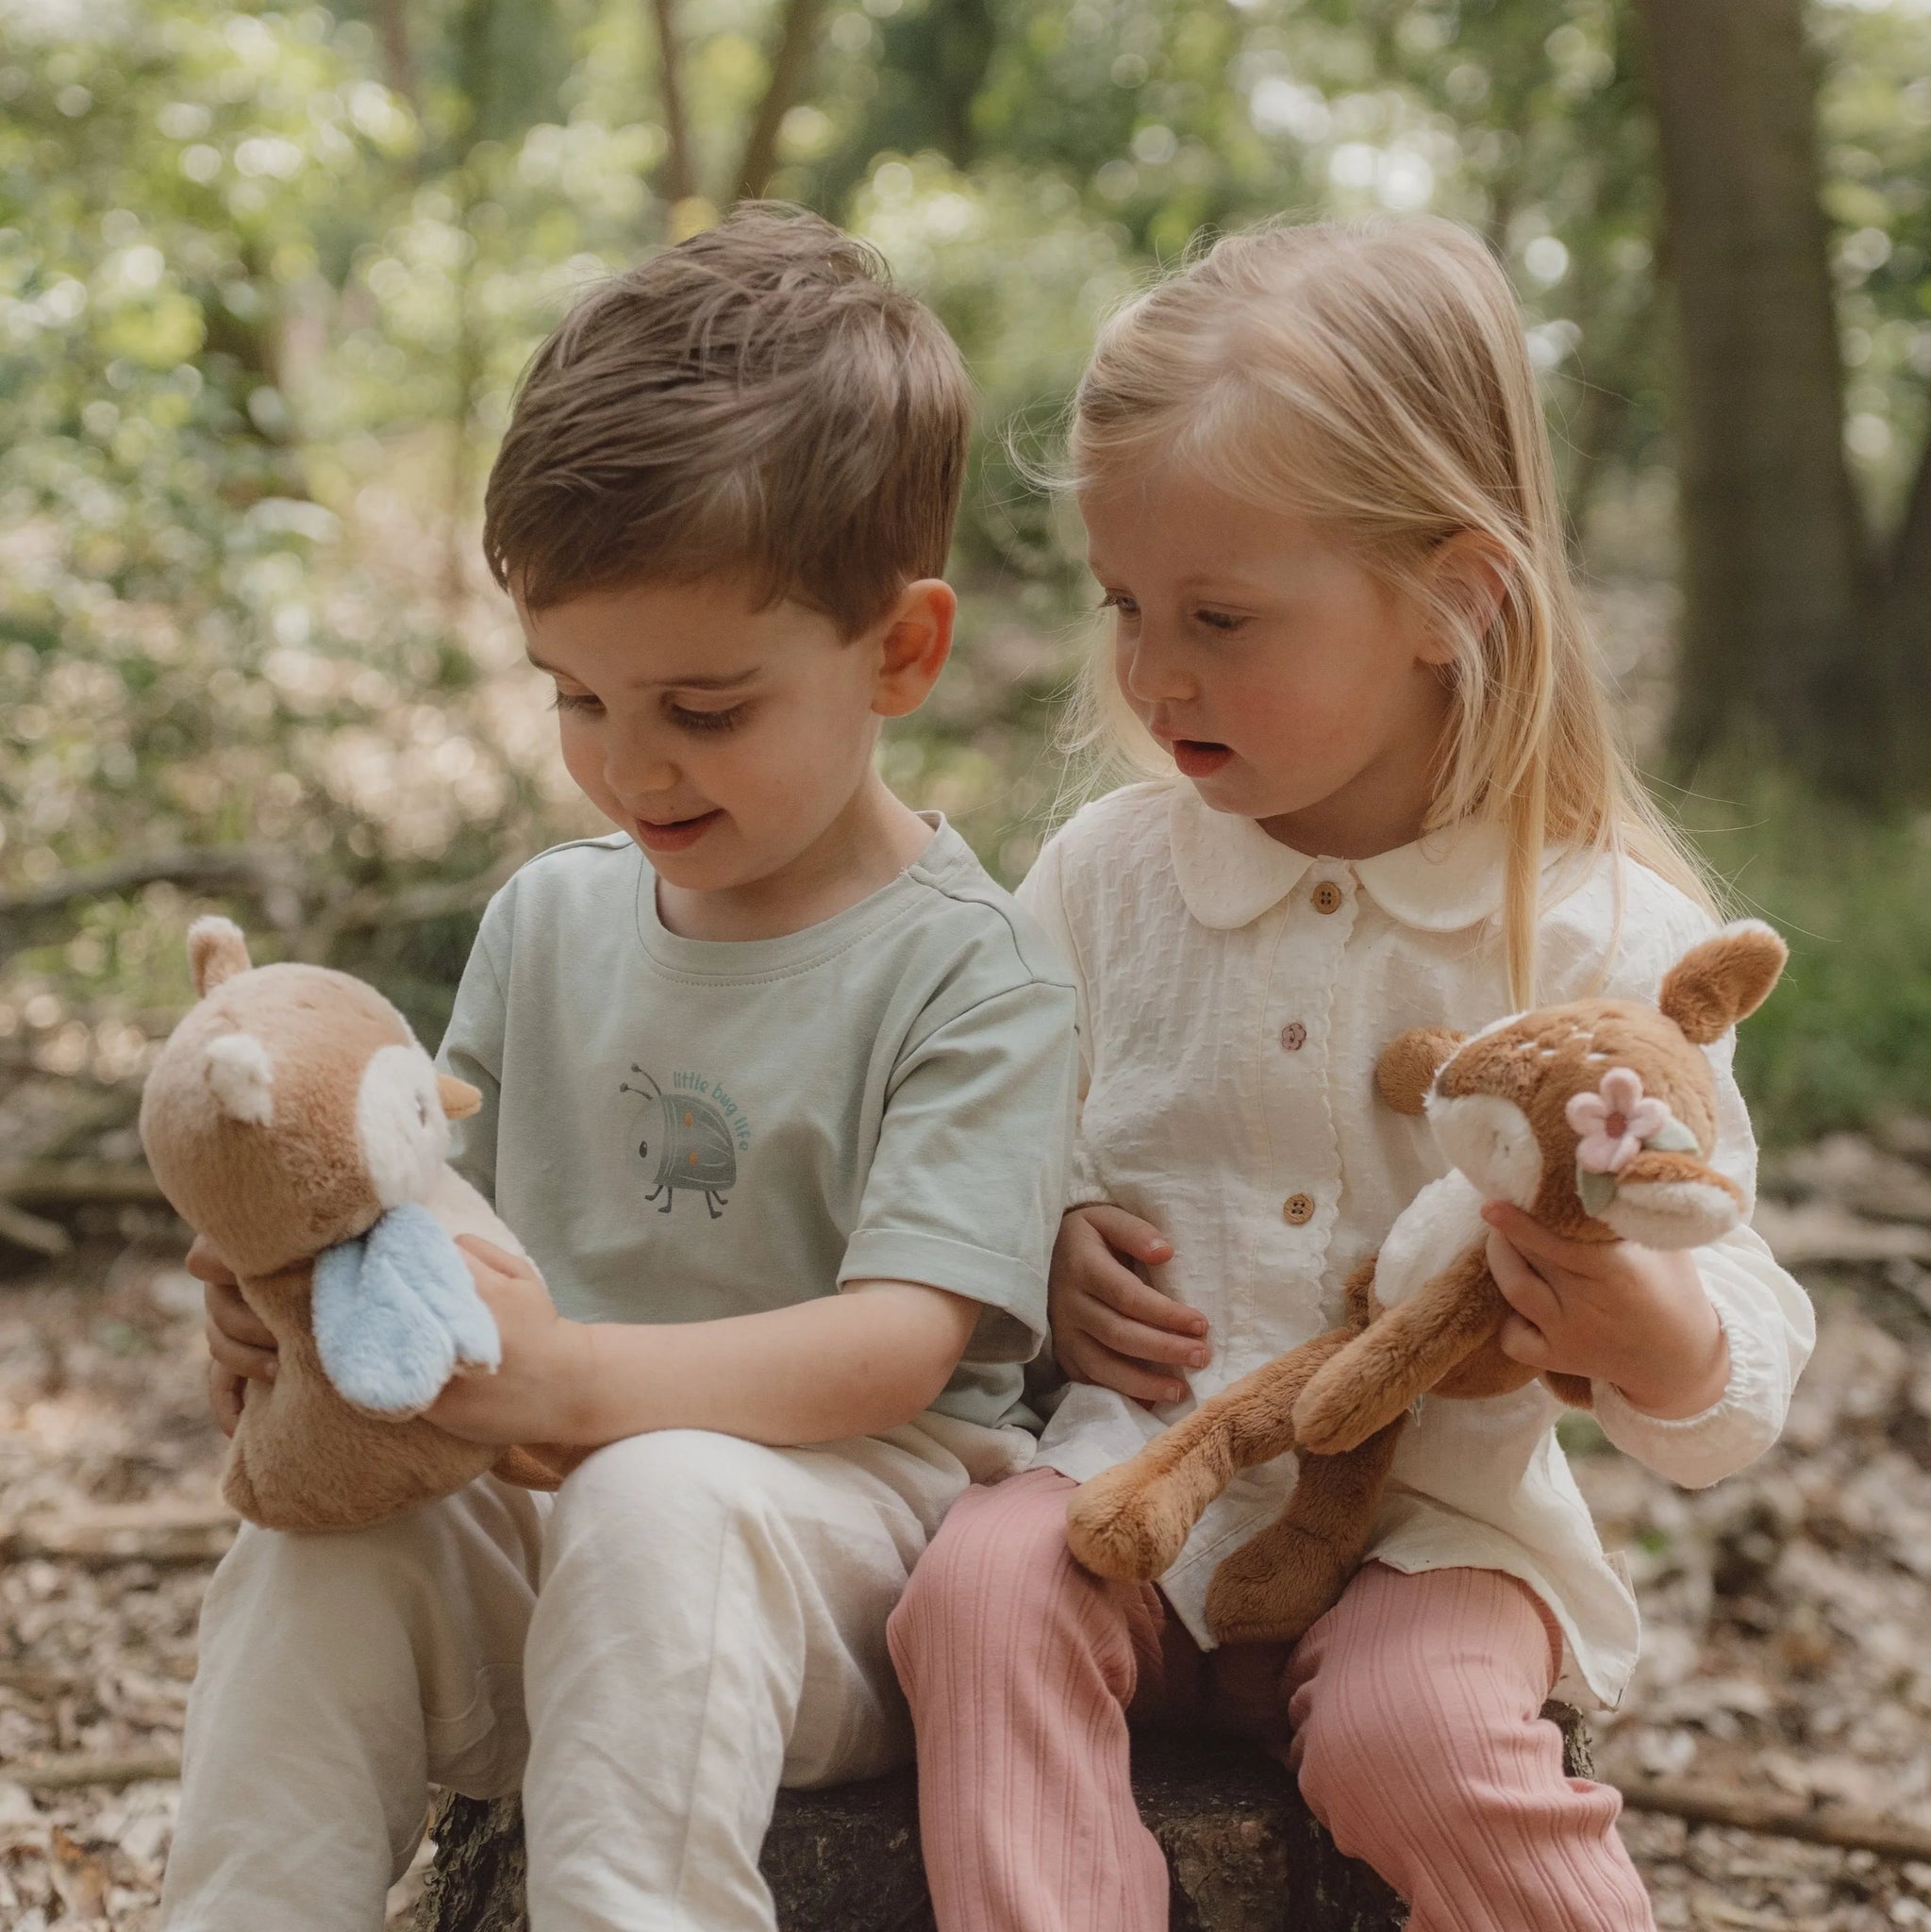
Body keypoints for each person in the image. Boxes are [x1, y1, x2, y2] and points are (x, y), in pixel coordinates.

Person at [887, 217, 1815, 1932]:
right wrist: (1044, 1245)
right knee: (976, 1598)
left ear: (1453, 600)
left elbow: (1736, 1293)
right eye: (1126, 605)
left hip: (1437, 1541)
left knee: (1419, 1739)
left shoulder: (1601, 935)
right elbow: (965, 1139)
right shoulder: (1102, 883)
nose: (1155, 672)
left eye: (1222, 617)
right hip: (1135, 1486)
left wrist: (1660, 1337)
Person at [162, 206, 1078, 1932]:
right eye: (576, 699)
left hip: (846, 1565)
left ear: (899, 650)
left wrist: (578, 1383)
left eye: (704, 711)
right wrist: (302, 1308)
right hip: (548, 1525)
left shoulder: (975, 968)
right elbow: (429, 1215)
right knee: (319, 1556)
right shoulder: (551, 920)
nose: (628, 767)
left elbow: (902, 1344)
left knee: (661, 1501)